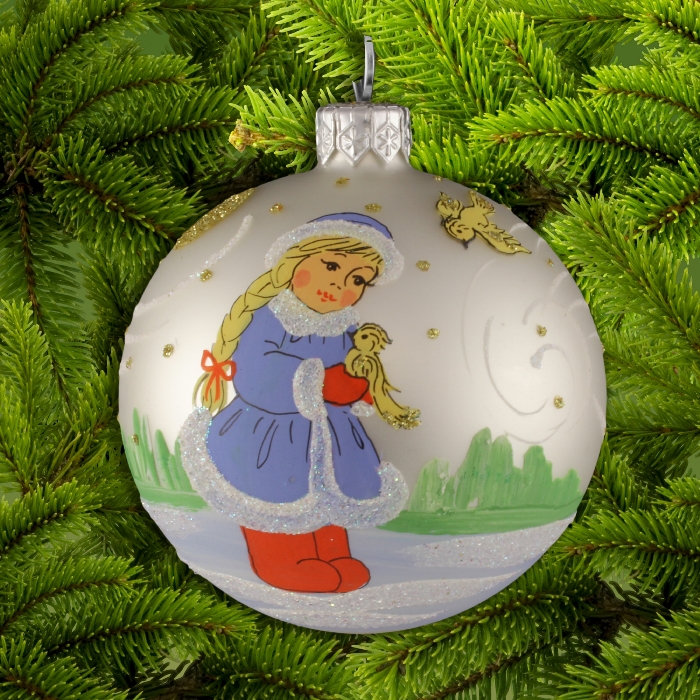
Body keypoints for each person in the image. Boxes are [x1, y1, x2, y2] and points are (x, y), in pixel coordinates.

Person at [181, 213, 411, 593]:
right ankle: (282, 561)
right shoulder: (268, 317)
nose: (340, 285)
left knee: (330, 491)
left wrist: (362, 384)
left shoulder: (345, 325)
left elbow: (353, 367)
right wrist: (321, 382)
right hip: (270, 433)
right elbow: (256, 372)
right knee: (274, 495)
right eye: (331, 266)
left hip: (331, 431)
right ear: (295, 261)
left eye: (357, 280)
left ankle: (332, 553)